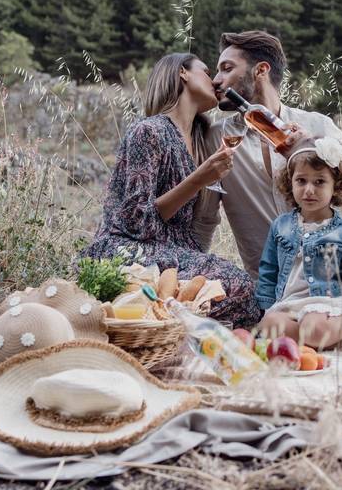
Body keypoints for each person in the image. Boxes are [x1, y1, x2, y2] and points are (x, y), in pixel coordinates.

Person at [192, 30, 342, 300]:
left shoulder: (315, 124)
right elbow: (205, 218)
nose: (216, 80)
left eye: (226, 69)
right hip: (286, 273)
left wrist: (313, 148)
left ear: (260, 70)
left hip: (341, 244)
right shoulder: (217, 138)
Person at [83, 53, 262, 328]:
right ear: (182, 73)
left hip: (170, 252)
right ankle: (162, 325)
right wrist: (199, 178)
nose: (215, 80)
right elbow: (136, 222)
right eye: (205, 71)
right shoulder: (149, 131)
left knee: (247, 297)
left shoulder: (200, 141)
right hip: (129, 249)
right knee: (237, 286)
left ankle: (163, 327)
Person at [255, 137, 342, 355]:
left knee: (313, 328)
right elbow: (268, 270)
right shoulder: (281, 226)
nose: (309, 190)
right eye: (301, 181)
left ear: (335, 186)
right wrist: (265, 307)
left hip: (329, 306)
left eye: (319, 182)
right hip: (292, 304)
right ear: (290, 182)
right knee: (268, 327)